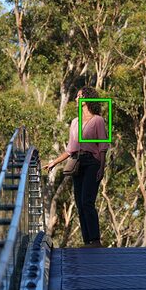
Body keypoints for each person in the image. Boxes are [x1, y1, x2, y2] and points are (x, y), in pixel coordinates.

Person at [43, 86, 109, 247]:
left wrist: (101, 167)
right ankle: (87, 241)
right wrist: (54, 162)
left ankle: (95, 240)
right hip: (77, 163)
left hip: (92, 163)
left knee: (87, 201)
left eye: (79, 96)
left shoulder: (98, 121)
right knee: (79, 203)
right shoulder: (75, 122)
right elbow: (70, 149)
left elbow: (103, 146)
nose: (76, 99)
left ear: (87, 99)